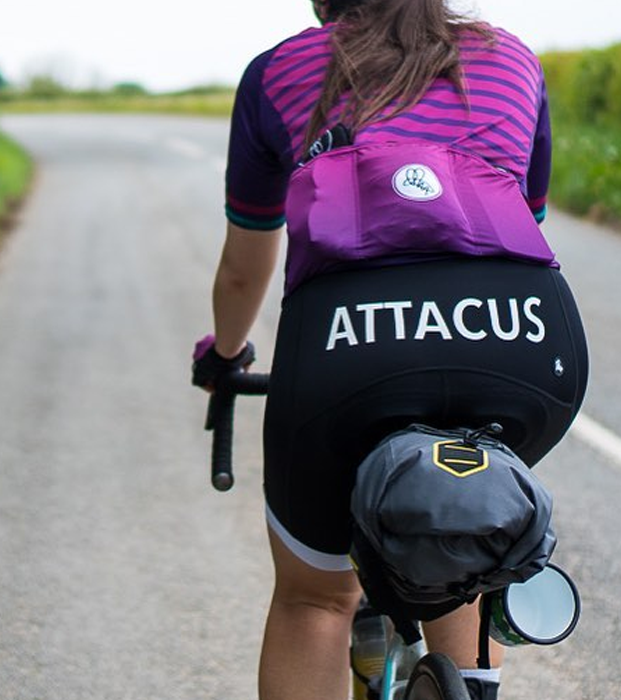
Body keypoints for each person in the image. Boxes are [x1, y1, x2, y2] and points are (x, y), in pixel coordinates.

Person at [194, 1, 589, 699]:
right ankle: (471, 683)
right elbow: (524, 223)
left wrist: (226, 355)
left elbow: (242, 266)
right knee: (466, 515)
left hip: (348, 343)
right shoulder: (512, 61)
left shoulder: (278, 72)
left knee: (313, 601)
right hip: (524, 336)